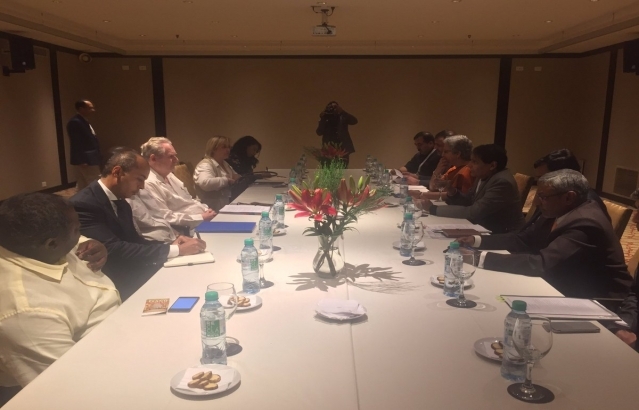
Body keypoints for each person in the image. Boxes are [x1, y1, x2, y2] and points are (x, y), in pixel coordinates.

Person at [0, 193, 120, 393]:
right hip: (99, 369)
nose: (80, 235)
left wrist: (92, 243)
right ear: (52, 244)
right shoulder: (25, 310)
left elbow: (73, 238)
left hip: (121, 330)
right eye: (77, 230)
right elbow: (70, 385)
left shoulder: (33, 244)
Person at [457, 170, 633, 300]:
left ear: (568, 197)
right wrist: (476, 240)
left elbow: (541, 264)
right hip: (563, 281)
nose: (536, 202)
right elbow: (522, 240)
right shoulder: (557, 210)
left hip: (595, 299)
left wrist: (478, 258)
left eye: (542, 196)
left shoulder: (586, 223)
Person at [70, 148, 206, 300]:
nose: (142, 187)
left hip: (131, 269)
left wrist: (171, 244)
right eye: (140, 179)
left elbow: (134, 240)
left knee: (195, 279)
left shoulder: (121, 200)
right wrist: (175, 250)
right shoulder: (84, 204)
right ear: (117, 172)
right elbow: (113, 249)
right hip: (110, 280)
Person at [423, 144, 524, 234]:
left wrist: (433, 209)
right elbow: (468, 201)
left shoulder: (502, 182)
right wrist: (452, 191)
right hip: (483, 227)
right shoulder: (483, 175)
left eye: (475, 162)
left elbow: (473, 212)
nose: (469, 165)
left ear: (492, 165)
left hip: (503, 235)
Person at [138, 137, 216, 232]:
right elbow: (165, 217)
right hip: (185, 231)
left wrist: (206, 209)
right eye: (171, 156)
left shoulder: (170, 175)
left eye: (175, 155)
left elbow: (189, 200)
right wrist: (201, 217)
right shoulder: (148, 183)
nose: (176, 160)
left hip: (202, 220)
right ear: (153, 158)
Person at [529, 148, 610, 223]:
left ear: (563, 176)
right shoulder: (549, 194)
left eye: (542, 178)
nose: (539, 183)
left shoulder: (584, 204)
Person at [410, 135, 475, 199]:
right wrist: (438, 170)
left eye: (446, 152)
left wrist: (421, 195)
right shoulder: (453, 169)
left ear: (457, 154)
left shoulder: (467, 172)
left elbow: (457, 197)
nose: (442, 155)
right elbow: (433, 187)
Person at [194, 136, 241, 211]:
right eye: (224, 147)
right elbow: (205, 183)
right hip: (210, 209)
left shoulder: (224, 163)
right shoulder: (205, 164)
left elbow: (236, 176)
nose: (228, 150)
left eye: (229, 147)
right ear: (213, 149)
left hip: (225, 204)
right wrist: (227, 180)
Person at [67, 100, 101, 191]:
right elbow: (76, 142)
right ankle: (95, 199)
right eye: (90, 108)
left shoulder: (83, 121)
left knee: (83, 183)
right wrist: (81, 160)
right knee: (94, 182)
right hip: (86, 159)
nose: (93, 110)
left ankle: (83, 199)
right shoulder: (75, 122)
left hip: (89, 157)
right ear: (81, 109)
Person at [315, 101, 358, 167]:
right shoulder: (325, 117)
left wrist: (342, 112)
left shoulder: (342, 116)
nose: (332, 109)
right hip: (329, 148)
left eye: (335, 107)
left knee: (343, 167)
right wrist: (323, 119)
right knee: (327, 167)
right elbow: (319, 132)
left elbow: (354, 121)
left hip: (342, 147)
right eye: (330, 107)